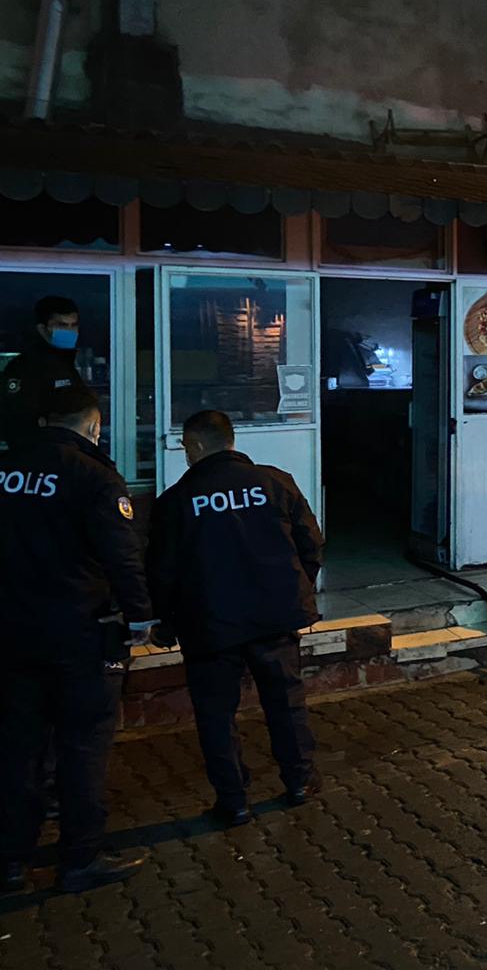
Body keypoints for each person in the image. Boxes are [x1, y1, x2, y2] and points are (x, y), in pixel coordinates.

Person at [0, 383, 154, 894]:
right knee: (83, 743)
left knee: (19, 745)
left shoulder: (5, 468)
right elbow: (121, 555)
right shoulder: (94, 476)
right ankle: (79, 858)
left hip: (12, 633)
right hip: (78, 632)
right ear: (93, 424)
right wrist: (141, 617)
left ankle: (11, 861)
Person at [148, 410, 324, 827]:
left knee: (215, 714)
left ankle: (234, 801)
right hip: (273, 617)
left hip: (210, 625)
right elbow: (311, 544)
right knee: (285, 701)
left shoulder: (174, 502)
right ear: (231, 442)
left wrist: (164, 623)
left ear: (195, 446)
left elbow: (162, 573)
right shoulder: (275, 482)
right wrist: (295, 592)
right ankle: (299, 781)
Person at [0, 295, 87, 454]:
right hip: (39, 456)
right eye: (62, 325)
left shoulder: (67, 364)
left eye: (73, 325)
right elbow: (16, 419)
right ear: (42, 329)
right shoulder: (25, 367)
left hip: (70, 454)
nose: (69, 331)